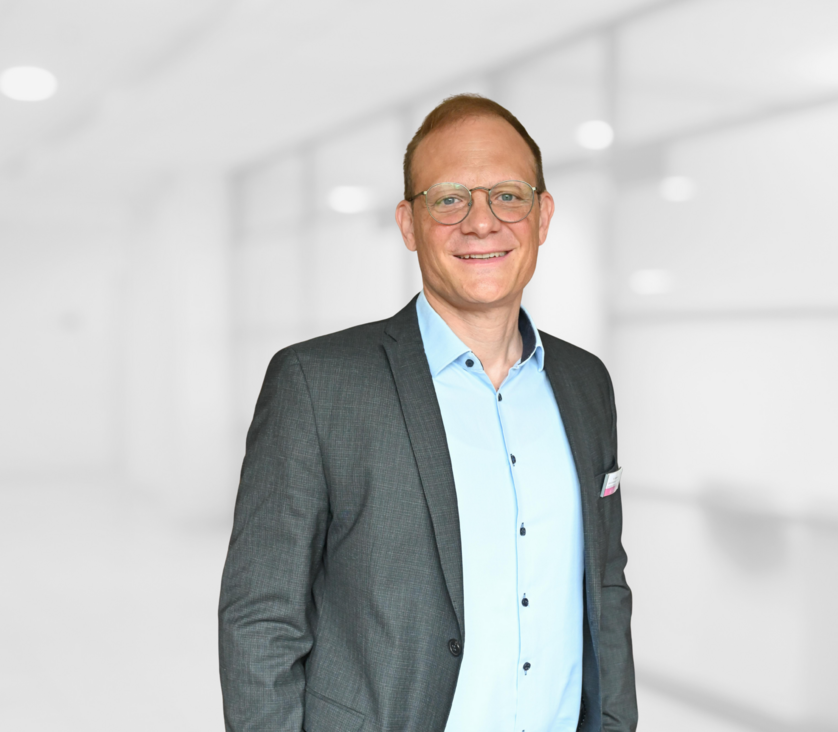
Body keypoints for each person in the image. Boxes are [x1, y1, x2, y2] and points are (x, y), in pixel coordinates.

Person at [218, 94, 636, 732]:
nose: (481, 222)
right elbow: (261, 618)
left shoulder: (585, 384)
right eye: (448, 199)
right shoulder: (317, 384)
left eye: (508, 196)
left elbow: (604, 584)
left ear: (543, 215)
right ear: (408, 224)